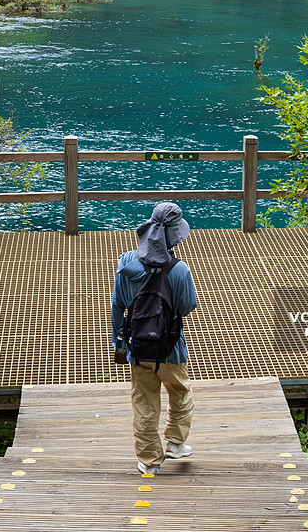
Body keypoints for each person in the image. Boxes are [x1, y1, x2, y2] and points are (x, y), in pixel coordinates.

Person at [111, 202, 197, 475]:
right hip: (171, 348)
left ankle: (149, 462)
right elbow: (186, 306)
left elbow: (117, 305)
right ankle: (175, 443)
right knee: (180, 392)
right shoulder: (179, 270)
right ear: (174, 236)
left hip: (137, 348)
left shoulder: (126, 262)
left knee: (145, 402)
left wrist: (119, 344)